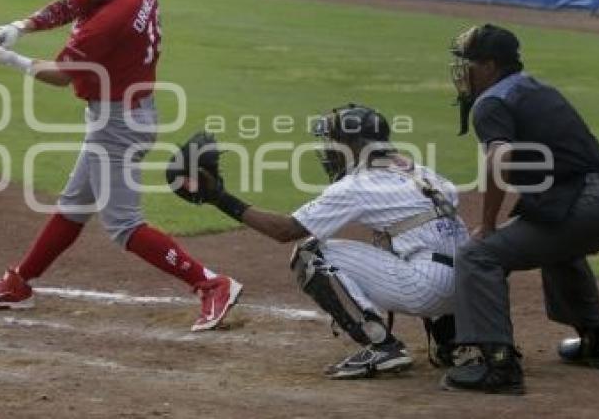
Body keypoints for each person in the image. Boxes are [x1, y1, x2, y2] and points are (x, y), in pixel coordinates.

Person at [0, 0, 243, 332]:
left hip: (119, 125)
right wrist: (23, 25)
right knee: (74, 205)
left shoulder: (110, 21)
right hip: (124, 114)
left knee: (124, 225)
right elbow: (78, 1)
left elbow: (60, 76)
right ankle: (19, 283)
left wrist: (11, 59)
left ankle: (212, 284)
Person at [167, 106, 469, 380]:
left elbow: (285, 231)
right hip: (467, 289)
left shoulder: (357, 185)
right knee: (412, 239)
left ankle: (381, 346)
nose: (329, 151)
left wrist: (220, 198)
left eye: (335, 142)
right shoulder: (421, 171)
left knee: (311, 254)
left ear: (356, 145)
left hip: (425, 289)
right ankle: (452, 339)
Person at [442, 24, 599, 395]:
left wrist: (487, 223)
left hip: (583, 203)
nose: (463, 71)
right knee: (555, 242)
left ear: (489, 65)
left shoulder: (491, 102)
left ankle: (497, 365)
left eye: (468, 62)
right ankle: (597, 341)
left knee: (478, 256)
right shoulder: (532, 86)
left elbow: (499, 159)